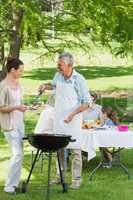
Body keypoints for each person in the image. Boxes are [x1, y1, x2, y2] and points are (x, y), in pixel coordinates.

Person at [39, 52, 92, 189]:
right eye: (58, 64)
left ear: (69, 65)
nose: (58, 67)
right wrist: (45, 86)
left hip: (73, 120)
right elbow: (53, 85)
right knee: (59, 149)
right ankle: (60, 176)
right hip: (59, 119)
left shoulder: (79, 79)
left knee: (75, 150)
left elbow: (86, 103)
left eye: (60, 65)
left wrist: (72, 114)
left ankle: (76, 179)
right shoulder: (58, 76)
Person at [0, 57, 27, 194]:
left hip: (19, 123)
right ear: (12, 70)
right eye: (20, 70)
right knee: (17, 154)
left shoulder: (18, 84)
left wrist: (26, 107)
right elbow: (1, 108)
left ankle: (14, 184)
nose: (22, 72)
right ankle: (8, 186)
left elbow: (19, 103)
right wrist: (17, 107)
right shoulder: (3, 86)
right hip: (9, 125)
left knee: (20, 155)